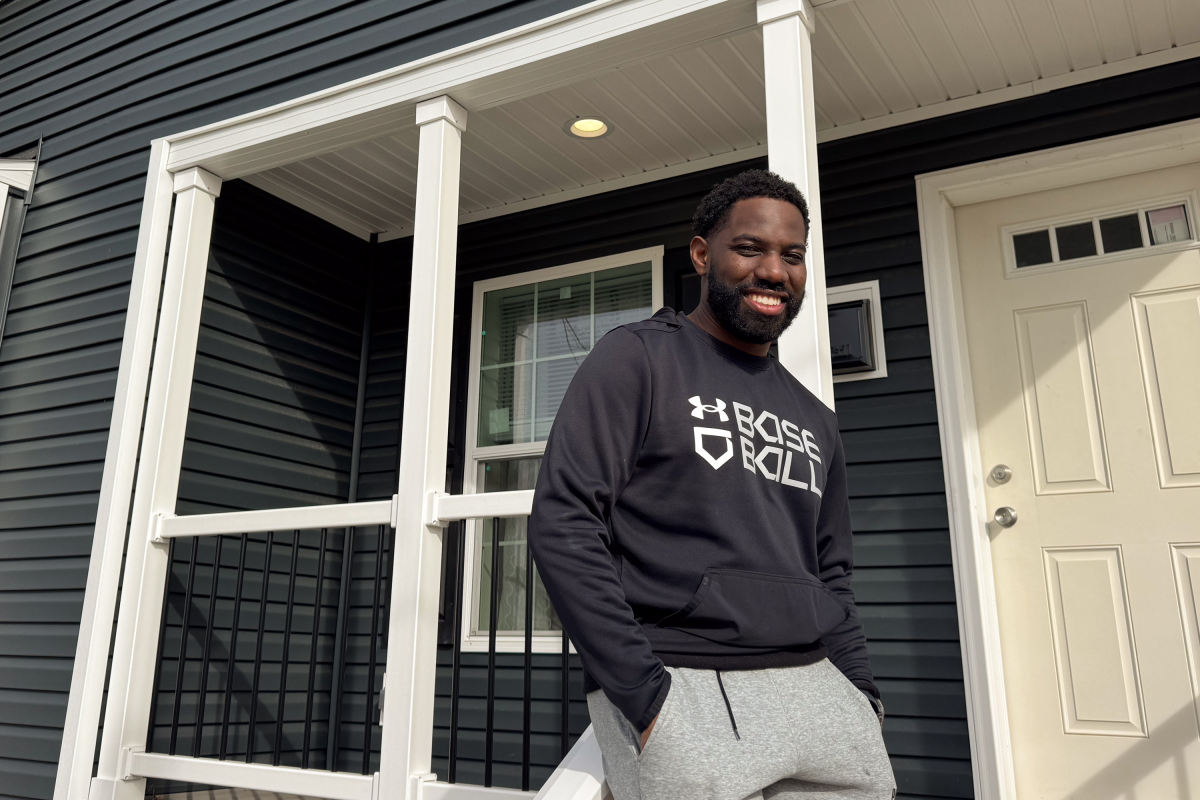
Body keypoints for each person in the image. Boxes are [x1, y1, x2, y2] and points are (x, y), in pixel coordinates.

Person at [528, 170, 896, 800]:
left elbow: (830, 571)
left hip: (822, 693)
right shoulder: (640, 357)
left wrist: (862, 695)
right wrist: (646, 698)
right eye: (750, 249)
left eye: (792, 256)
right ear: (702, 254)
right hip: (687, 684)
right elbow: (564, 522)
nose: (774, 271)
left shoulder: (816, 418)